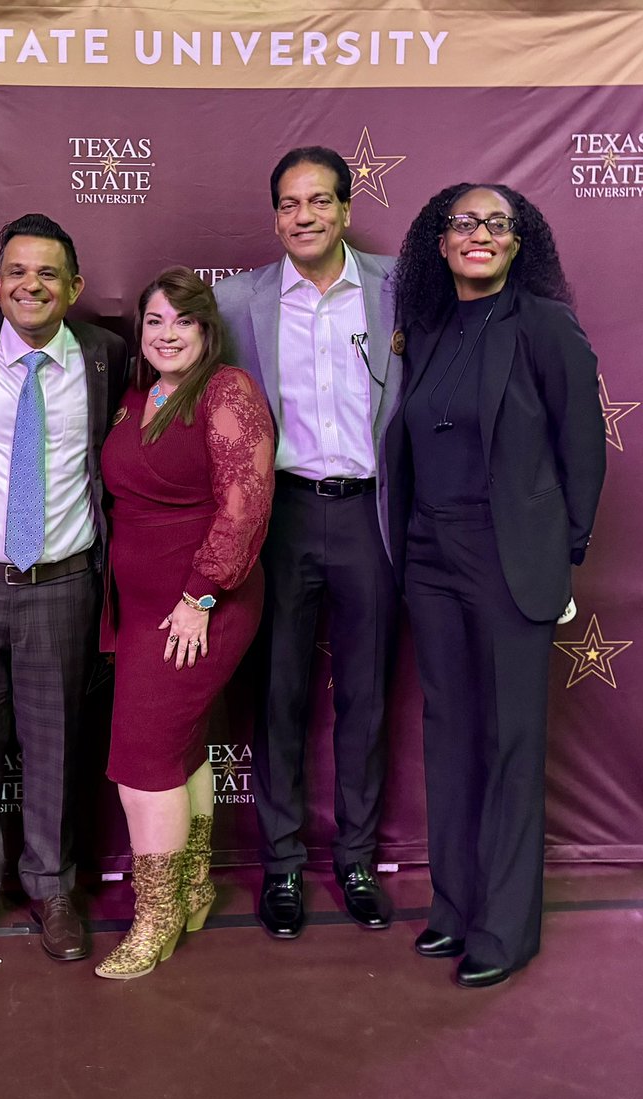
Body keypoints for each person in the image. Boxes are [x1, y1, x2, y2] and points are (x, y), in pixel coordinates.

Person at [383, 183, 605, 987]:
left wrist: (559, 551)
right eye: (464, 223)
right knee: (450, 734)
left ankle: (507, 931)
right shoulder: (429, 328)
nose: (480, 234)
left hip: (510, 558)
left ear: (519, 242)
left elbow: (585, 447)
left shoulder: (545, 326)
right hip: (430, 557)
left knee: (511, 741)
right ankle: (455, 907)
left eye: (497, 224)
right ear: (439, 243)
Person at [0, 214, 129, 967]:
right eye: (16, 271)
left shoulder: (106, 357)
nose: (30, 285)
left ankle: (53, 888)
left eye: (47, 274)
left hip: (64, 585)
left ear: (73, 287)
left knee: (58, 747)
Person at [214, 147, 403, 939]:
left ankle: (356, 859)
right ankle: (282, 866)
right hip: (281, 516)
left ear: (346, 209)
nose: (304, 216)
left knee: (364, 695)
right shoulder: (236, 301)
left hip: (373, 514)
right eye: (289, 204)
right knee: (279, 694)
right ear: (275, 216)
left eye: (319, 201)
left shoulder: (399, 287)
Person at [95, 268, 274, 979]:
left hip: (197, 607)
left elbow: (246, 503)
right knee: (179, 748)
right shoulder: (140, 396)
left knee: (142, 764)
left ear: (207, 330)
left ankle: (157, 917)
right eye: (154, 323)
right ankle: (194, 888)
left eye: (183, 322)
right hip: (141, 607)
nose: (167, 335)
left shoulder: (227, 391)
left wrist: (199, 595)